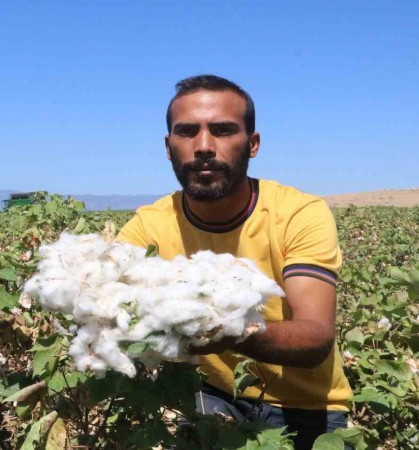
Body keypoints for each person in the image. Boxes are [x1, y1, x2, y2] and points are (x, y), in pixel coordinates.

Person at [117, 75, 352, 449]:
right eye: (187, 132)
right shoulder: (150, 225)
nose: (203, 146)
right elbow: (107, 300)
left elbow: (315, 337)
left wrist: (224, 329)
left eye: (223, 130)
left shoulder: (298, 214)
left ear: (252, 144)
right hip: (213, 397)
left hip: (307, 407)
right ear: (168, 147)